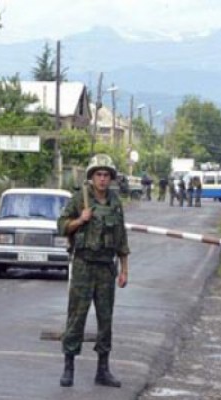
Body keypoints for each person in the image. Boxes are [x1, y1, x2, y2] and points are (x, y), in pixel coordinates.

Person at [57, 154, 130, 388]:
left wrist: (124, 270)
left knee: (105, 320)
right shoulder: (80, 198)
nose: (102, 179)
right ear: (91, 176)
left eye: (106, 175)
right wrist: (80, 220)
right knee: (76, 317)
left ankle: (103, 369)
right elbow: (61, 226)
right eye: (98, 174)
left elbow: (121, 239)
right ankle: (68, 367)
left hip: (107, 268)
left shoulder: (115, 202)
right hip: (83, 266)